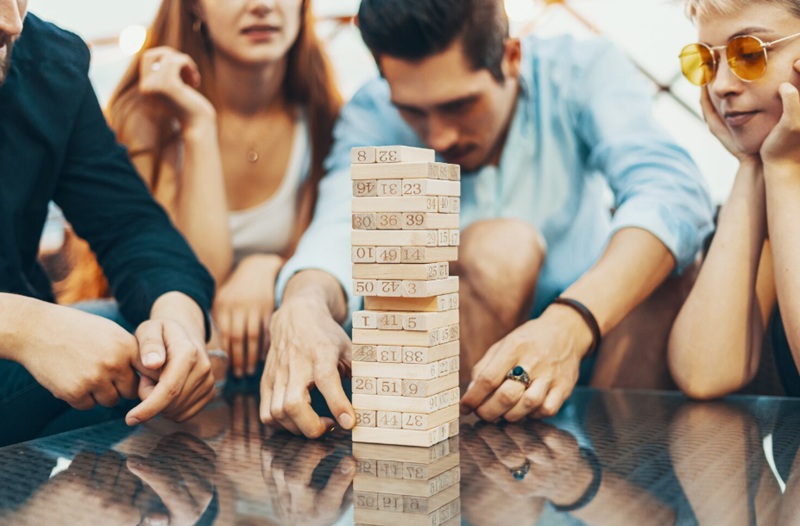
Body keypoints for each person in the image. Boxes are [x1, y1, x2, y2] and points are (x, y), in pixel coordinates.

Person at [259, 0, 715, 437]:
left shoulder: (580, 69)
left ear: (512, 56)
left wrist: (570, 324)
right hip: (445, 381)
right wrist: (303, 302)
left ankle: (619, 467)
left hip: (594, 355)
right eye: (412, 111)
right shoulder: (373, 110)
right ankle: (465, 466)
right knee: (503, 248)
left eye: (460, 105)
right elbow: (343, 226)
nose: (439, 134)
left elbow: (670, 192)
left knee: (670, 265)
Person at [0, 0, 217, 446]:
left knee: (143, 352)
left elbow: (130, 225)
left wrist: (178, 323)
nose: (10, 21)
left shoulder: (50, 63)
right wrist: (25, 326)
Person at [91, 0, 341, 380]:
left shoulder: (323, 119)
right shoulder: (148, 117)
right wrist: (198, 126)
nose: (263, 6)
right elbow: (192, 276)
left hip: (271, 339)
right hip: (180, 339)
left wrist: (271, 267)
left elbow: (321, 260)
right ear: (194, 7)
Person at [669, 0, 800, 398]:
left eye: (749, 52)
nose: (721, 84)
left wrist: (783, 169)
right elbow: (704, 372)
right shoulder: (780, 185)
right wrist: (755, 166)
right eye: (707, 61)